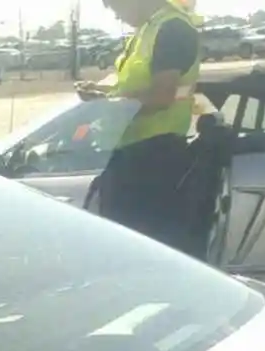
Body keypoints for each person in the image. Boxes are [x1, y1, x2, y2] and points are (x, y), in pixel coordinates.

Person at [78, 0, 204, 252]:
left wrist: (109, 105)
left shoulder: (172, 29)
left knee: (142, 251)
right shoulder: (148, 29)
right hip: (133, 154)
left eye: (114, 7)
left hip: (154, 158)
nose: (115, 14)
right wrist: (101, 92)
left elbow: (161, 96)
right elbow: (135, 87)